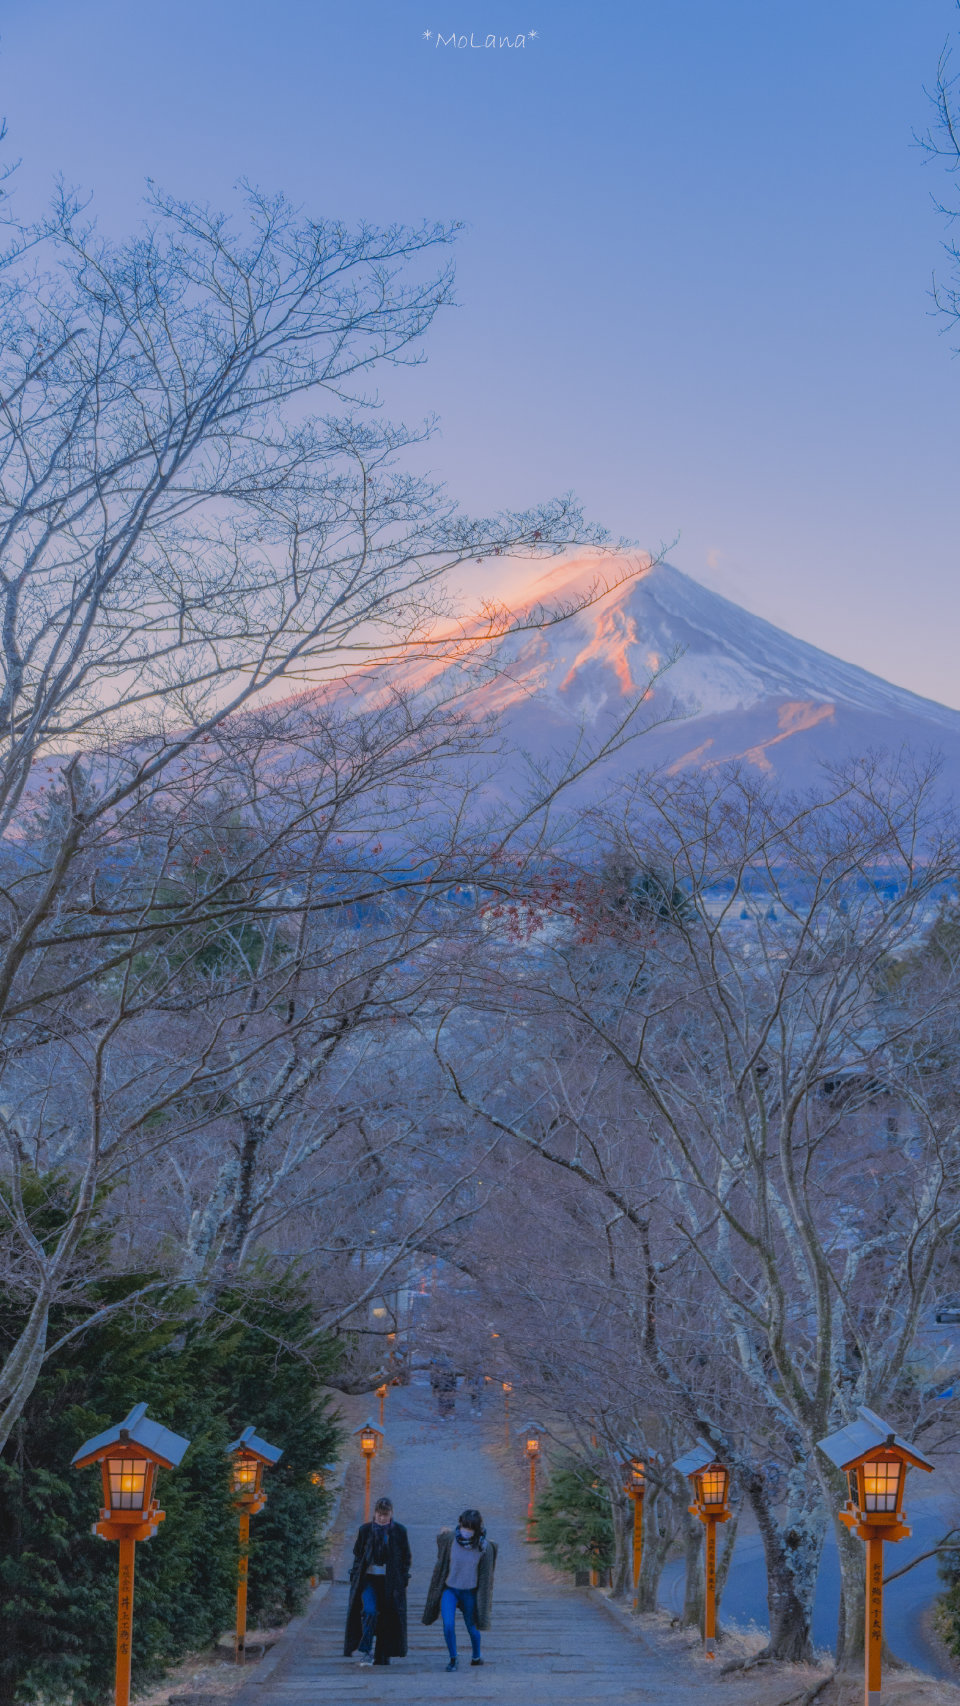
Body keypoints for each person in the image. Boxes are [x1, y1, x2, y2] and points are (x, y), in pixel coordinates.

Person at [422, 1507, 497, 1672]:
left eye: (470, 1528)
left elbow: (486, 1575)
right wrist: (443, 1532)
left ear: (476, 1529)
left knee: (472, 1627)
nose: (466, 1531)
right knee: (448, 1625)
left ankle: (476, 1656)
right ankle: (453, 1658)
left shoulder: (483, 1547)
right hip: (450, 1590)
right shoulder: (451, 1539)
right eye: (464, 1526)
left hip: (469, 1592)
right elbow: (441, 1545)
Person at [344, 1496, 411, 1667]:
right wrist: (356, 1575)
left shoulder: (399, 1531)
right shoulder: (366, 1530)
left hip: (390, 1582)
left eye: (385, 1515)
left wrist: (402, 1578)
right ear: (375, 1513)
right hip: (369, 1579)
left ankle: (383, 1654)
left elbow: (406, 1557)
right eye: (379, 1514)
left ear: (391, 1514)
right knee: (370, 1611)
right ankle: (366, 1650)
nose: (382, 1518)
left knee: (388, 1617)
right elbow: (358, 1554)